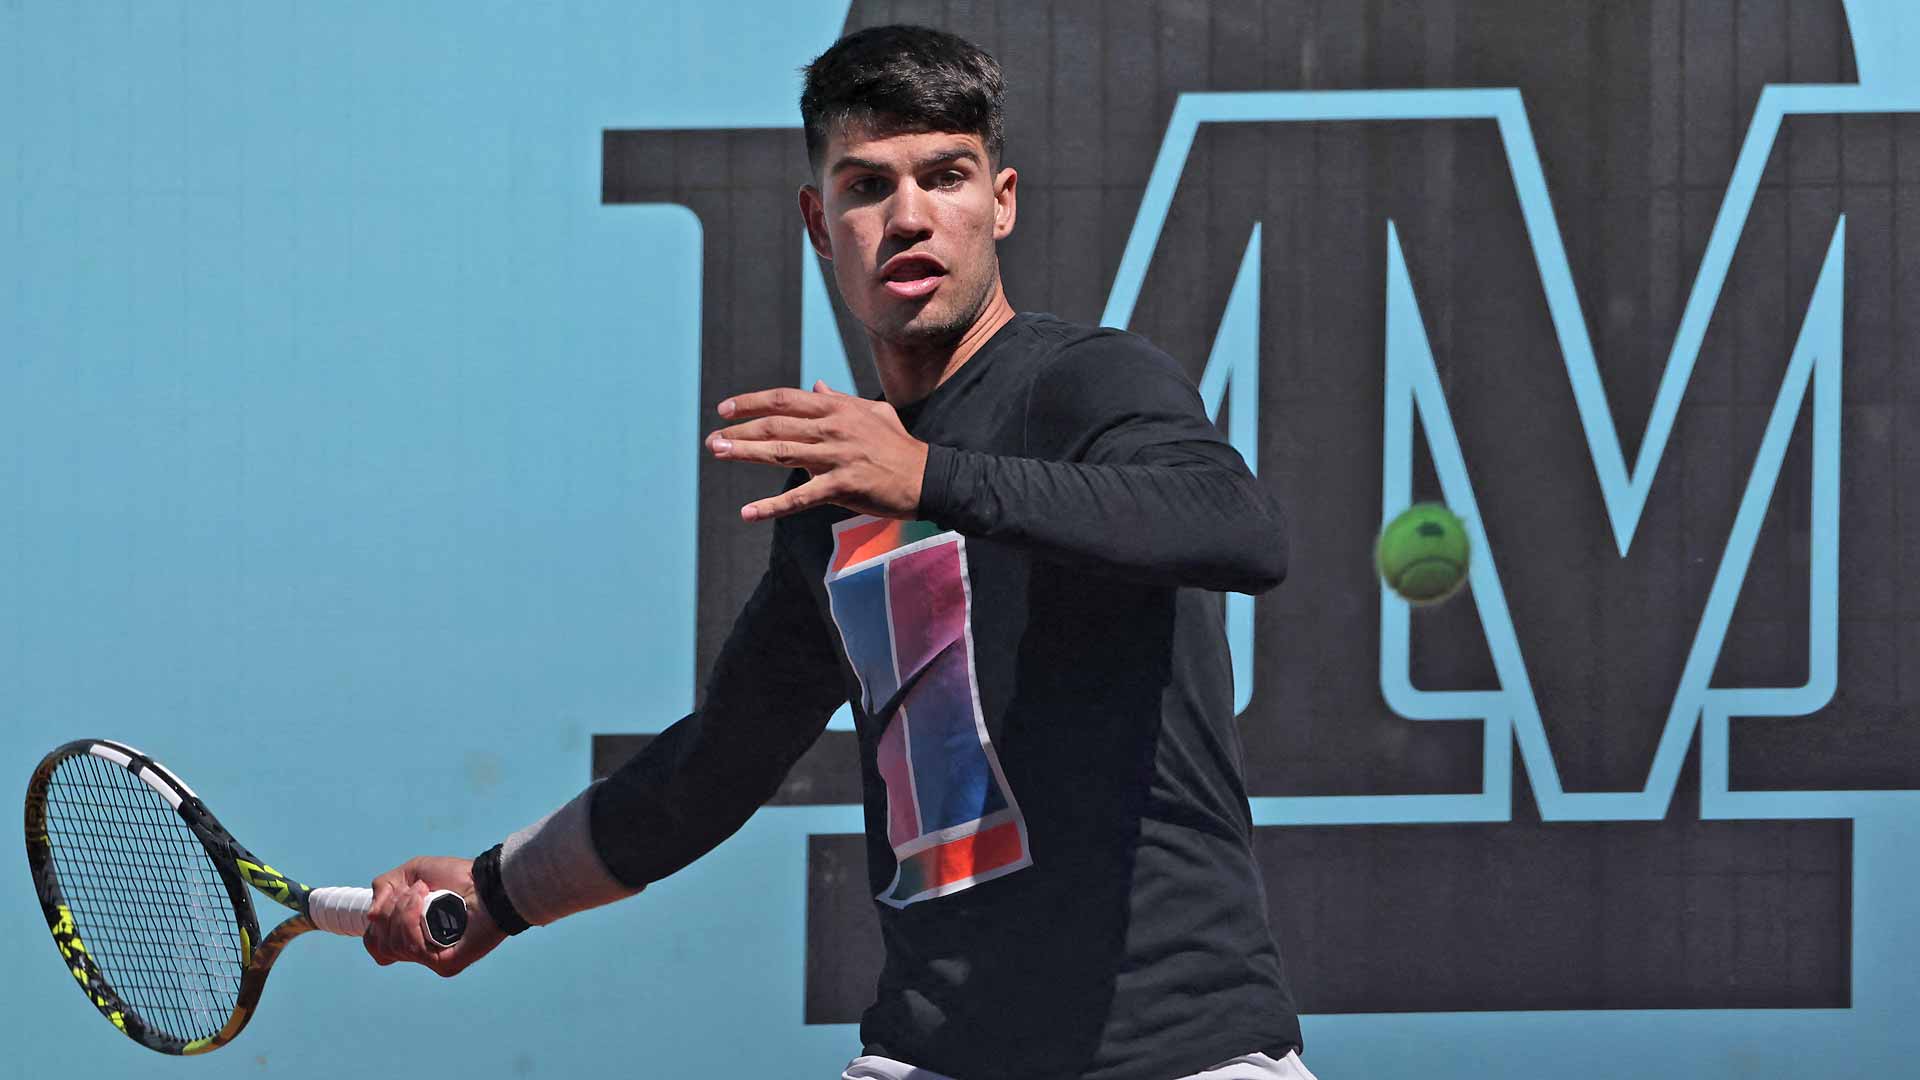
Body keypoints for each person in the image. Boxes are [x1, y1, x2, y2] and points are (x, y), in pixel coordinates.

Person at [362, 24, 1311, 1080]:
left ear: (1000, 200)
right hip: (928, 1054)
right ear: (820, 222)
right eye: (867, 186)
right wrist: (495, 894)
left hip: (1177, 1055)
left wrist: (928, 479)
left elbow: (1237, 528)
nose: (909, 216)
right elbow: (713, 768)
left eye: (944, 176)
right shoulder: (837, 491)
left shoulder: (1090, 383)